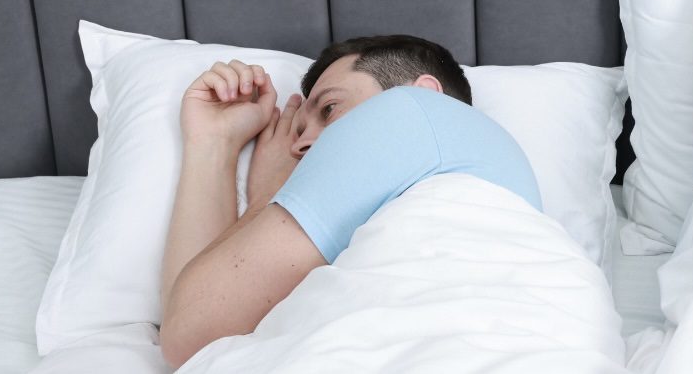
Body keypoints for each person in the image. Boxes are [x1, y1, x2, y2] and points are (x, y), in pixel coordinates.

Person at [157, 35, 541, 368]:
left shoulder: (408, 111)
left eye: (329, 109)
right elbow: (187, 321)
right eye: (299, 130)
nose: (299, 145)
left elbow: (189, 332)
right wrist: (214, 144)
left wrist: (267, 196)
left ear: (425, 92)